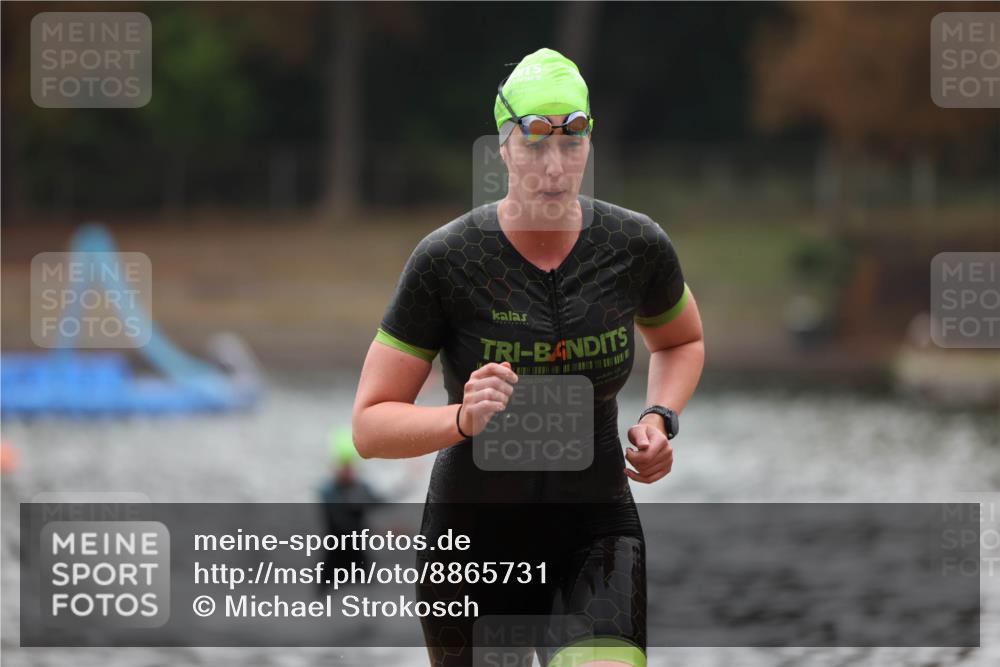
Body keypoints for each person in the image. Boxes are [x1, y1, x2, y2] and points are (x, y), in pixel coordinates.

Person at [352, 48, 705, 667]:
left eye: (572, 143)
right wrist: (460, 418)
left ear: (589, 145)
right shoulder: (448, 260)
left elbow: (680, 340)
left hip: (597, 533)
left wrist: (659, 417)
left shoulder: (633, 245)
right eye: (535, 143)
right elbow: (370, 425)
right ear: (502, 150)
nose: (555, 166)